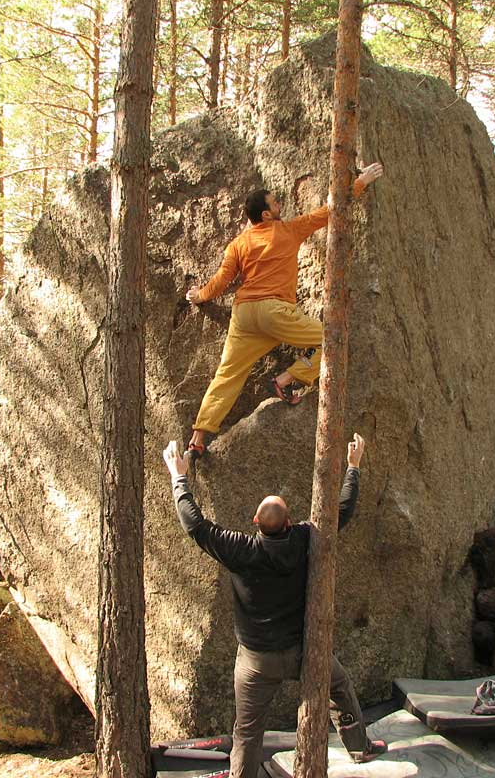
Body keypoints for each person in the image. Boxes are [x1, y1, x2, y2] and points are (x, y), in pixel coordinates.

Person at [162, 433, 387, 778]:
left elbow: (196, 525)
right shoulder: (303, 539)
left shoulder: (242, 551)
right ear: (287, 522)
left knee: (248, 732)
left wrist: (179, 477)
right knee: (339, 688)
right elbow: (341, 511)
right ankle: (359, 747)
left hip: (256, 661)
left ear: (255, 522)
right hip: (303, 651)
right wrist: (353, 467)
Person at [185, 163, 384, 457]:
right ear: (266, 214)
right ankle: (285, 381)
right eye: (275, 202)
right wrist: (360, 182)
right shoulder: (288, 230)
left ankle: (198, 438)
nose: (281, 205)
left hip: (243, 316)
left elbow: (220, 281)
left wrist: (198, 296)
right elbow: (329, 211)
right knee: (333, 339)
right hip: (273, 312)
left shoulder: (238, 244)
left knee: (226, 375)